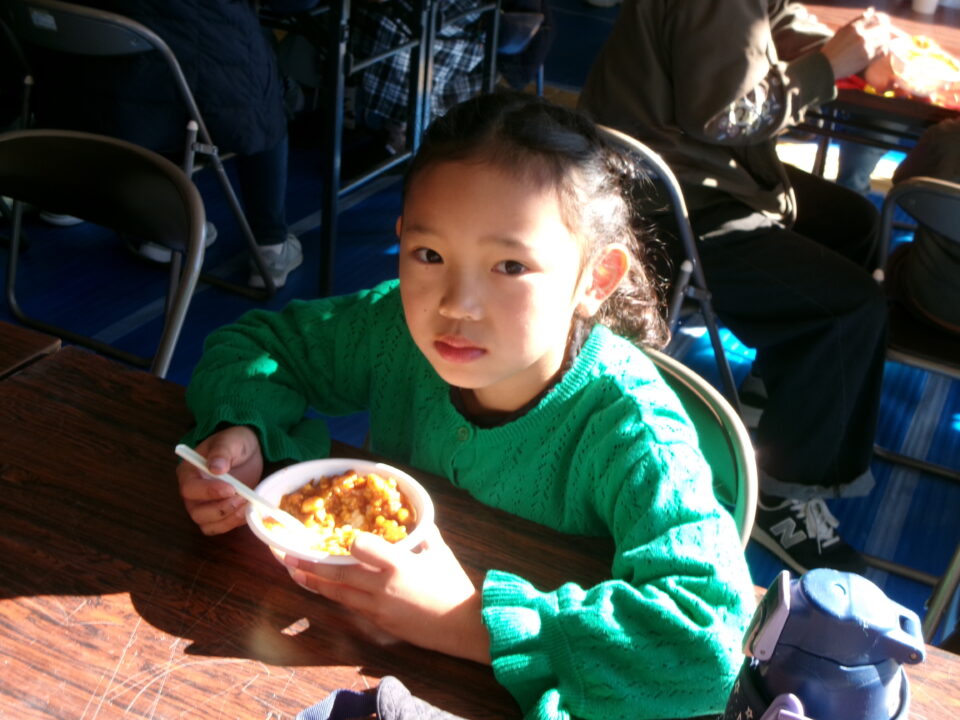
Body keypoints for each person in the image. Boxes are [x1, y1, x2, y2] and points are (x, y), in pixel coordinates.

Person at [175, 90, 756, 720]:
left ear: (595, 279)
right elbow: (257, 350)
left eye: (510, 265)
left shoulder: (633, 430)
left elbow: (711, 644)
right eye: (430, 255)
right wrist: (241, 428)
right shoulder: (390, 330)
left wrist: (466, 620)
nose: (457, 303)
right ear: (401, 239)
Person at [577, 1, 894, 575]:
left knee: (854, 223)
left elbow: (776, 17)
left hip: (702, 173)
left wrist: (851, 46)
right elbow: (728, 117)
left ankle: (784, 396)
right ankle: (783, 495)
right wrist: (828, 65)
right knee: (851, 309)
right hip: (662, 206)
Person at [22, 0, 313, 289]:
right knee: (263, 102)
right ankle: (270, 247)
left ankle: (157, 225)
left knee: (158, 71)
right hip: (190, 93)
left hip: (82, 99)